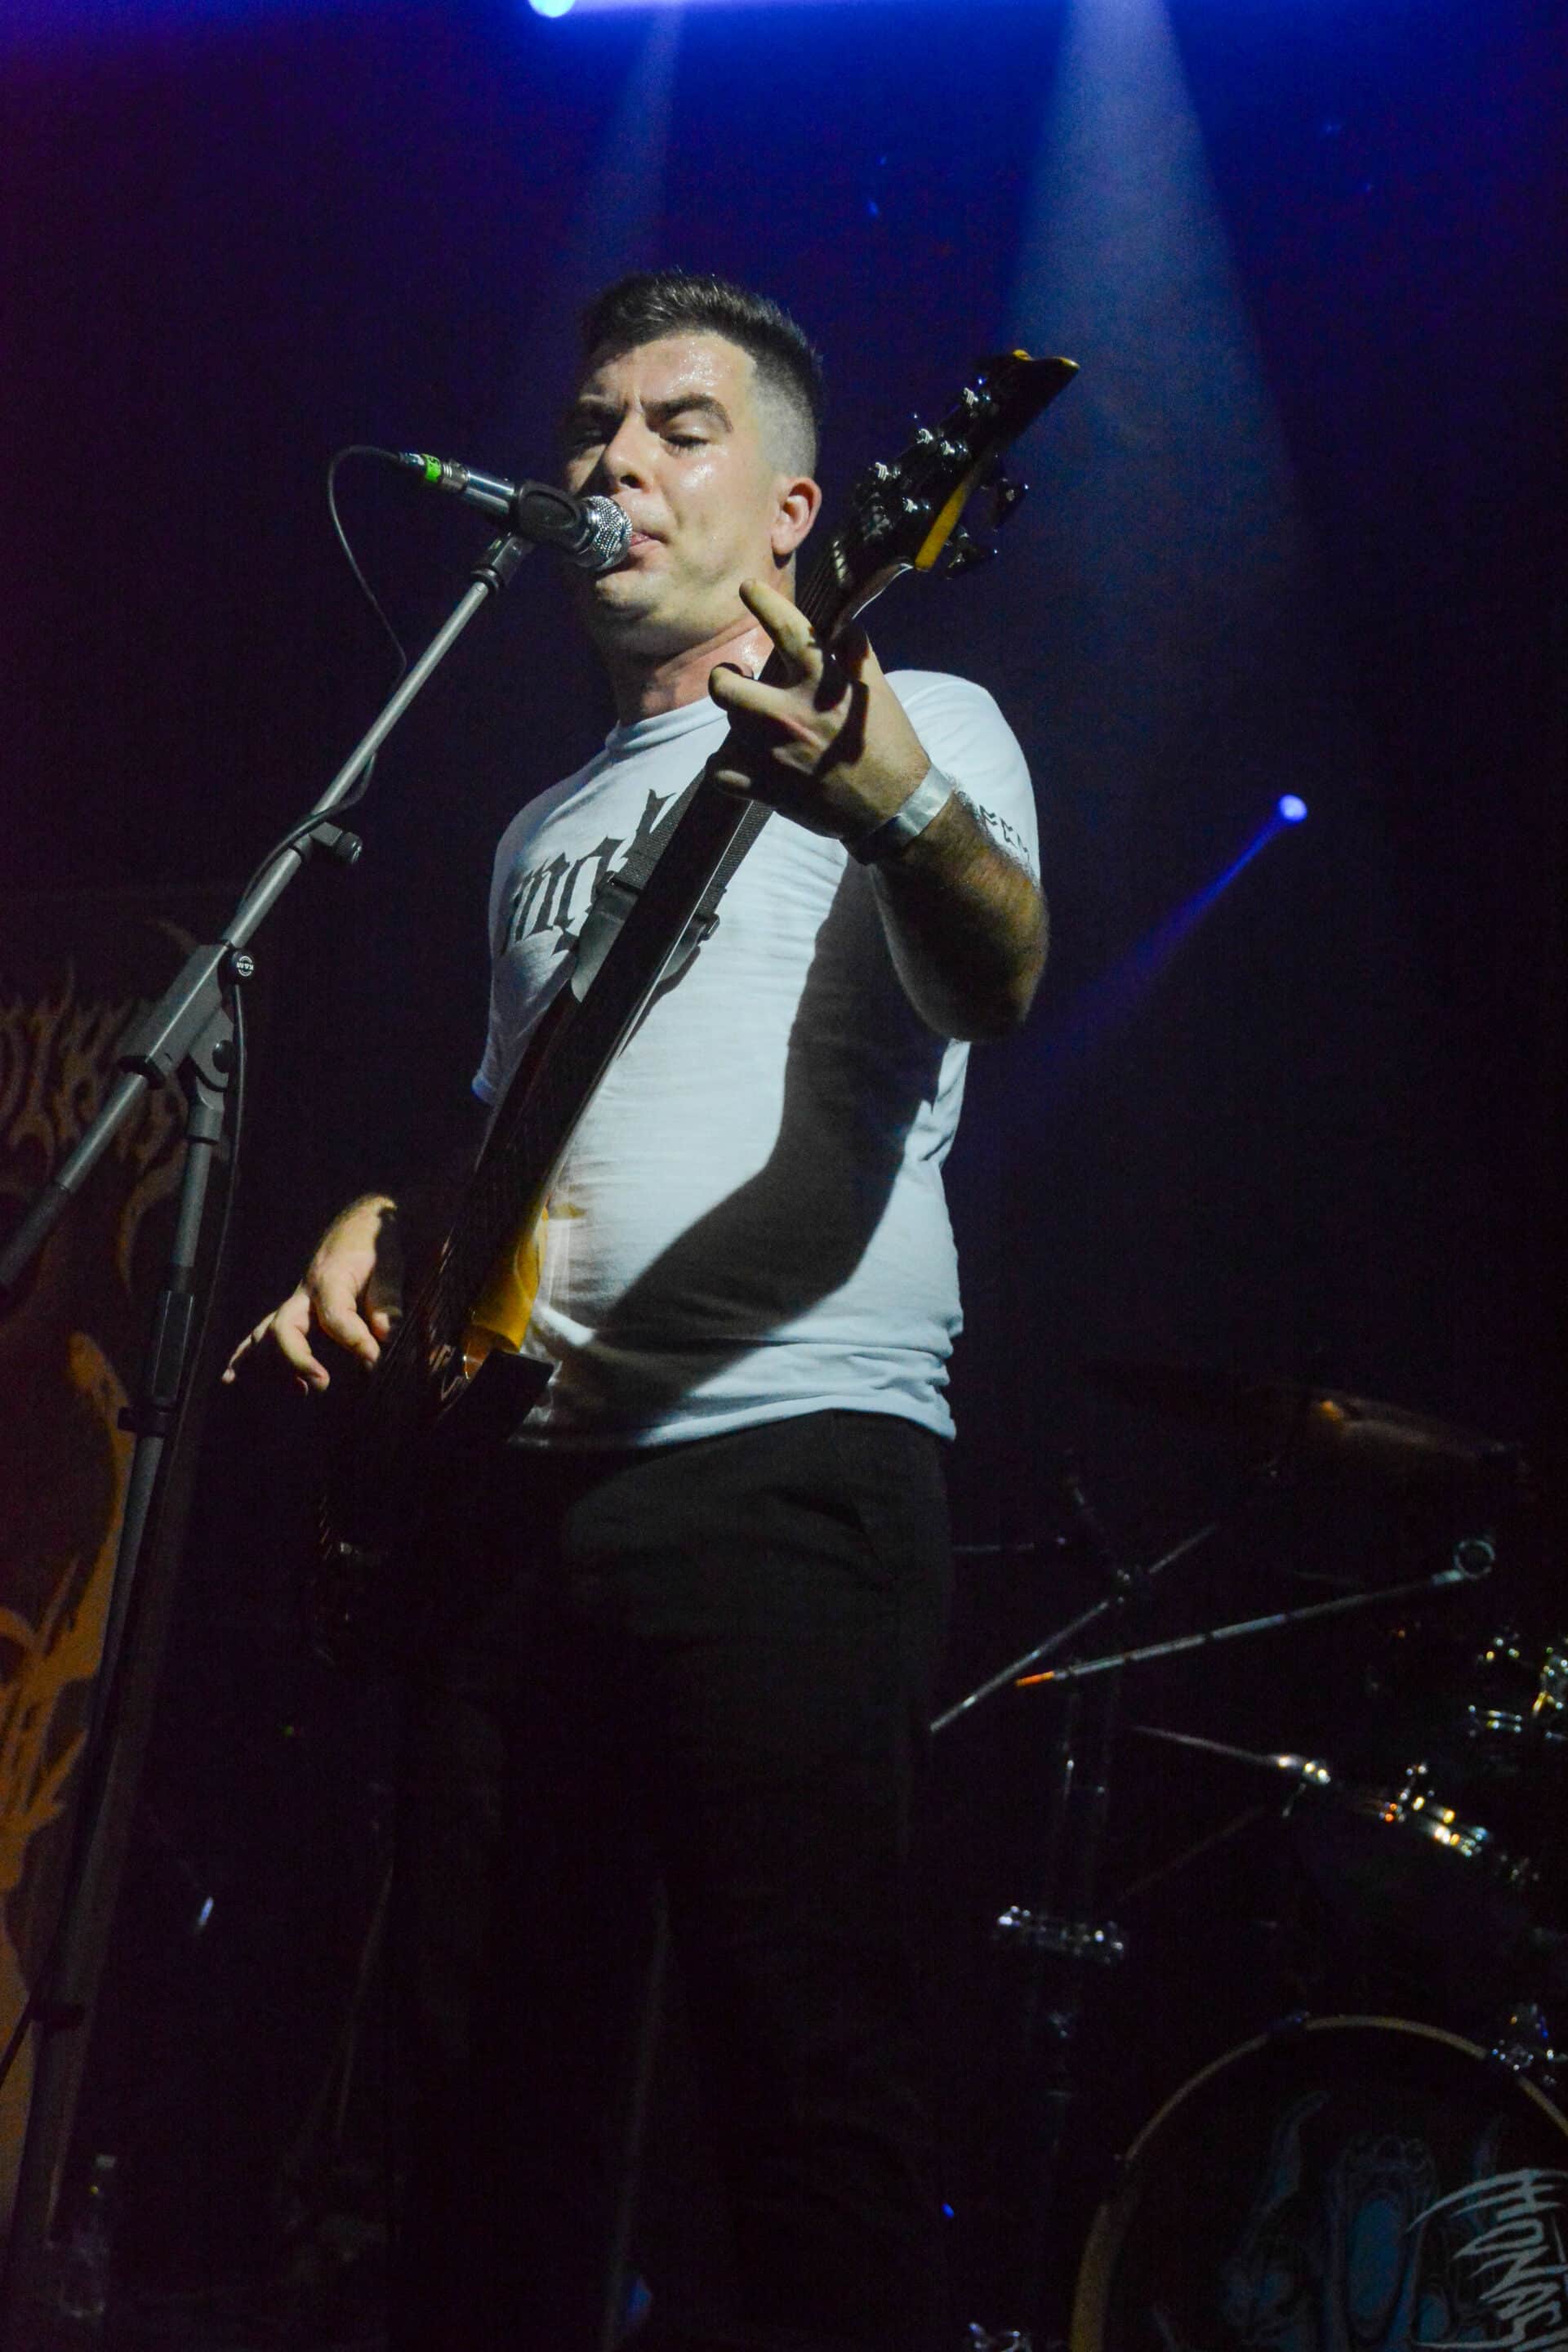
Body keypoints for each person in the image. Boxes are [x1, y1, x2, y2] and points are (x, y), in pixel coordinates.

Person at [225, 270, 1046, 2352]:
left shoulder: (930, 717)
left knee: (803, 2083)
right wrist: (387, 1221)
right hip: (515, 1500)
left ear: (799, 512)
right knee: (479, 2094)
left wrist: (893, 800)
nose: (616, 462)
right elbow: (531, 1146)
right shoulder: (541, 827)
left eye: (683, 428)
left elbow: (1003, 971)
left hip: (787, 1466)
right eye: (595, 425)